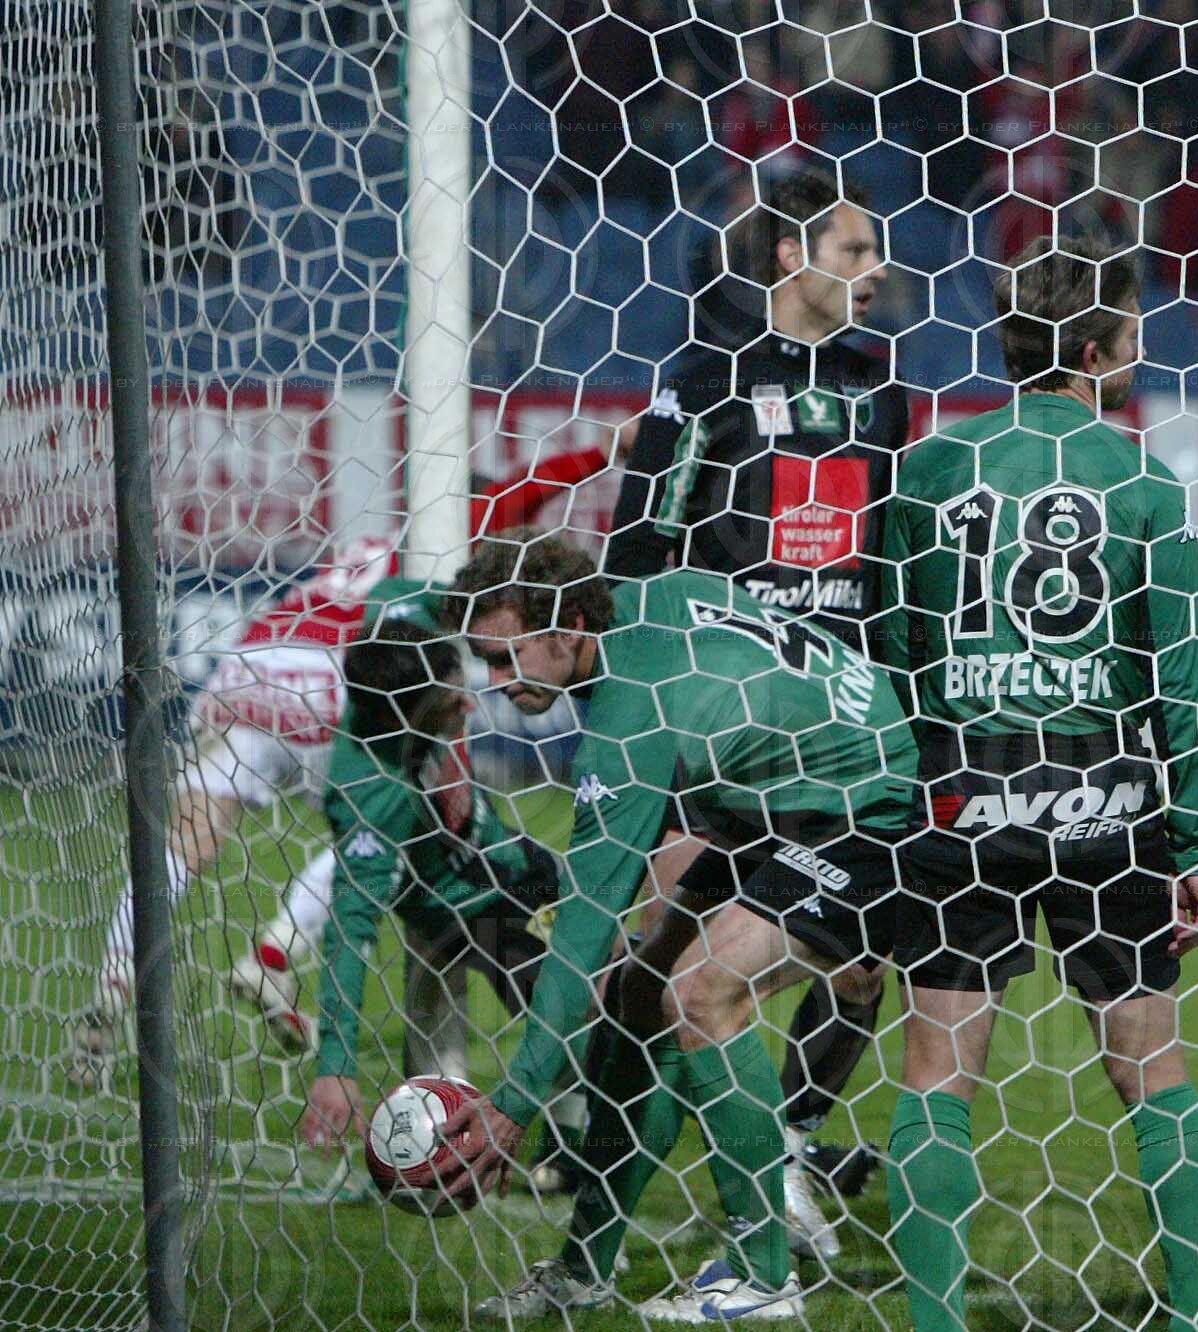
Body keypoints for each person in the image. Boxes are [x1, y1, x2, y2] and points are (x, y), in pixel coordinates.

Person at [431, 532, 919, 1323]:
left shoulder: (627, 728)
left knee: (700, 998)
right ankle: (585, 1268)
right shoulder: (657, 595)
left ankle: (765, 1277)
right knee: (635, 995)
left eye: (505, 655)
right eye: (483, 660)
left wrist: (515, 1103)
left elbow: (582, 933)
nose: (494, 681)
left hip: (866, 807)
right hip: (768, 801)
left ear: (572, 627)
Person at [878, 235, 1198, 1332]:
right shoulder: (1142, 478)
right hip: (1105, 800)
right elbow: (1177, 679)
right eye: (1130, 331)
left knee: (940, 1065)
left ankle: (936, 1319)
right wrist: (1192, 845)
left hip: (962, 792)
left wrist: (912, 784)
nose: (1139, 349)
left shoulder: (931, 466)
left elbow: (894, 647)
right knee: (1151, 1063)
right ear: (1092, 347)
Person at [71, 443, 619, 1083]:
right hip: (337, 676)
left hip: (253, 664)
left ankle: (116, 973)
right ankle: (274, 952)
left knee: (185, 843)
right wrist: (607, 450)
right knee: (386, 822)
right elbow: (528, 487)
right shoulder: (451, 546)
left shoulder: (374, 549)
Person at [606, 164, 910, 1256]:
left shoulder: (882, 388)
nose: (875, 272)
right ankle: (604, 1189)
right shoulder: (704, 378)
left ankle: (785, 1146)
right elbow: (639, 545)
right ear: (791, 256)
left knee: (862, 962)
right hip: (723, 726)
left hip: (843, 724)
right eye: (853, 251)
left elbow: (892, 556)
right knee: (652, 967)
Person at [291, 616, 572, 1172]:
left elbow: (402, 602)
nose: (470, 710)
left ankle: (569, 1150)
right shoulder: (374, 794)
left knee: (606, 1006)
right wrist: (336, 1067)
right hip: (483, 911)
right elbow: (351, 929)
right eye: (452, 702)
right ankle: (577, 1160)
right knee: (597, 1010)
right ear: (407, 713)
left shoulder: (398, 669)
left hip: (518, 860)